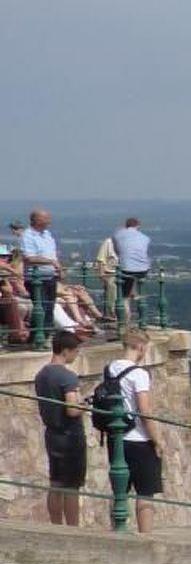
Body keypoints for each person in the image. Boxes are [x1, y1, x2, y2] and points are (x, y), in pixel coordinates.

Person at [102, 330, 162, 532]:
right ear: (141, 347)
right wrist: (157, 440)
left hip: (116, 436)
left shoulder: (110, 369)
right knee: (145, 493)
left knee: (120, 491)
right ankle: (146, 537)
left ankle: (118, 530)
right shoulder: (139, 374)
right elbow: (144, 411)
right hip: (139, 439)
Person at [33, 329, 86, 526]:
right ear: (65, 351)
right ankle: (73, 529)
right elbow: (72, 409)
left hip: (52, 433)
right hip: (70, 435)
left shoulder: (41, 374)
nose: (76, 355)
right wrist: (84, 406)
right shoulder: (67, 377)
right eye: (75, 351)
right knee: (72, 487)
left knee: (55, 483)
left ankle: (55, 525)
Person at [20, 208, 60, 339]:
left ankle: (45, 334)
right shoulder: (28, 236)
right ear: (36, 220)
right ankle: (39, 336)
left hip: (50, 276)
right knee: (41, 307)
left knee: (49, 307)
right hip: (36, 278)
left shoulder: (47, 234)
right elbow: (29, 258)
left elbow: (52, 255)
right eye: (46, 218)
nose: (49, 220)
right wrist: (50, 262)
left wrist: (58, 268)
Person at [110, 216, 151, 329]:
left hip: (126, 268)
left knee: (124, 296)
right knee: (134, 278)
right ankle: (134, 292)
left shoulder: (117, 234)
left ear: (126, 225)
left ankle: (125, 320)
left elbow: (117, 251)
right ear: (138, 226)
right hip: (143, 268)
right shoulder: (145, 237)